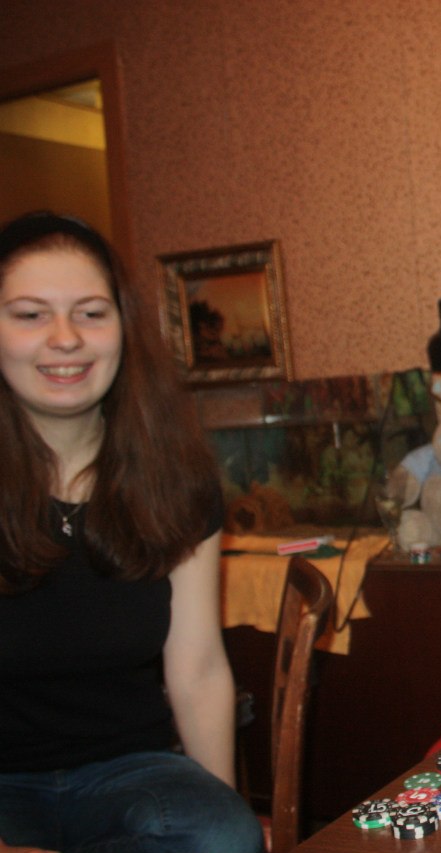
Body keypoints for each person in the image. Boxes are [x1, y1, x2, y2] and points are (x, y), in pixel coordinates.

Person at [0, 213, 264, 852]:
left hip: (128, 778)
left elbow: (197, 668)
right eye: (30, 314)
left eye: (91, 313)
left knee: (222, 834)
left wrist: (224, 815)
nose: (66, 339)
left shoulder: (175, 480)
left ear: (123, 326)